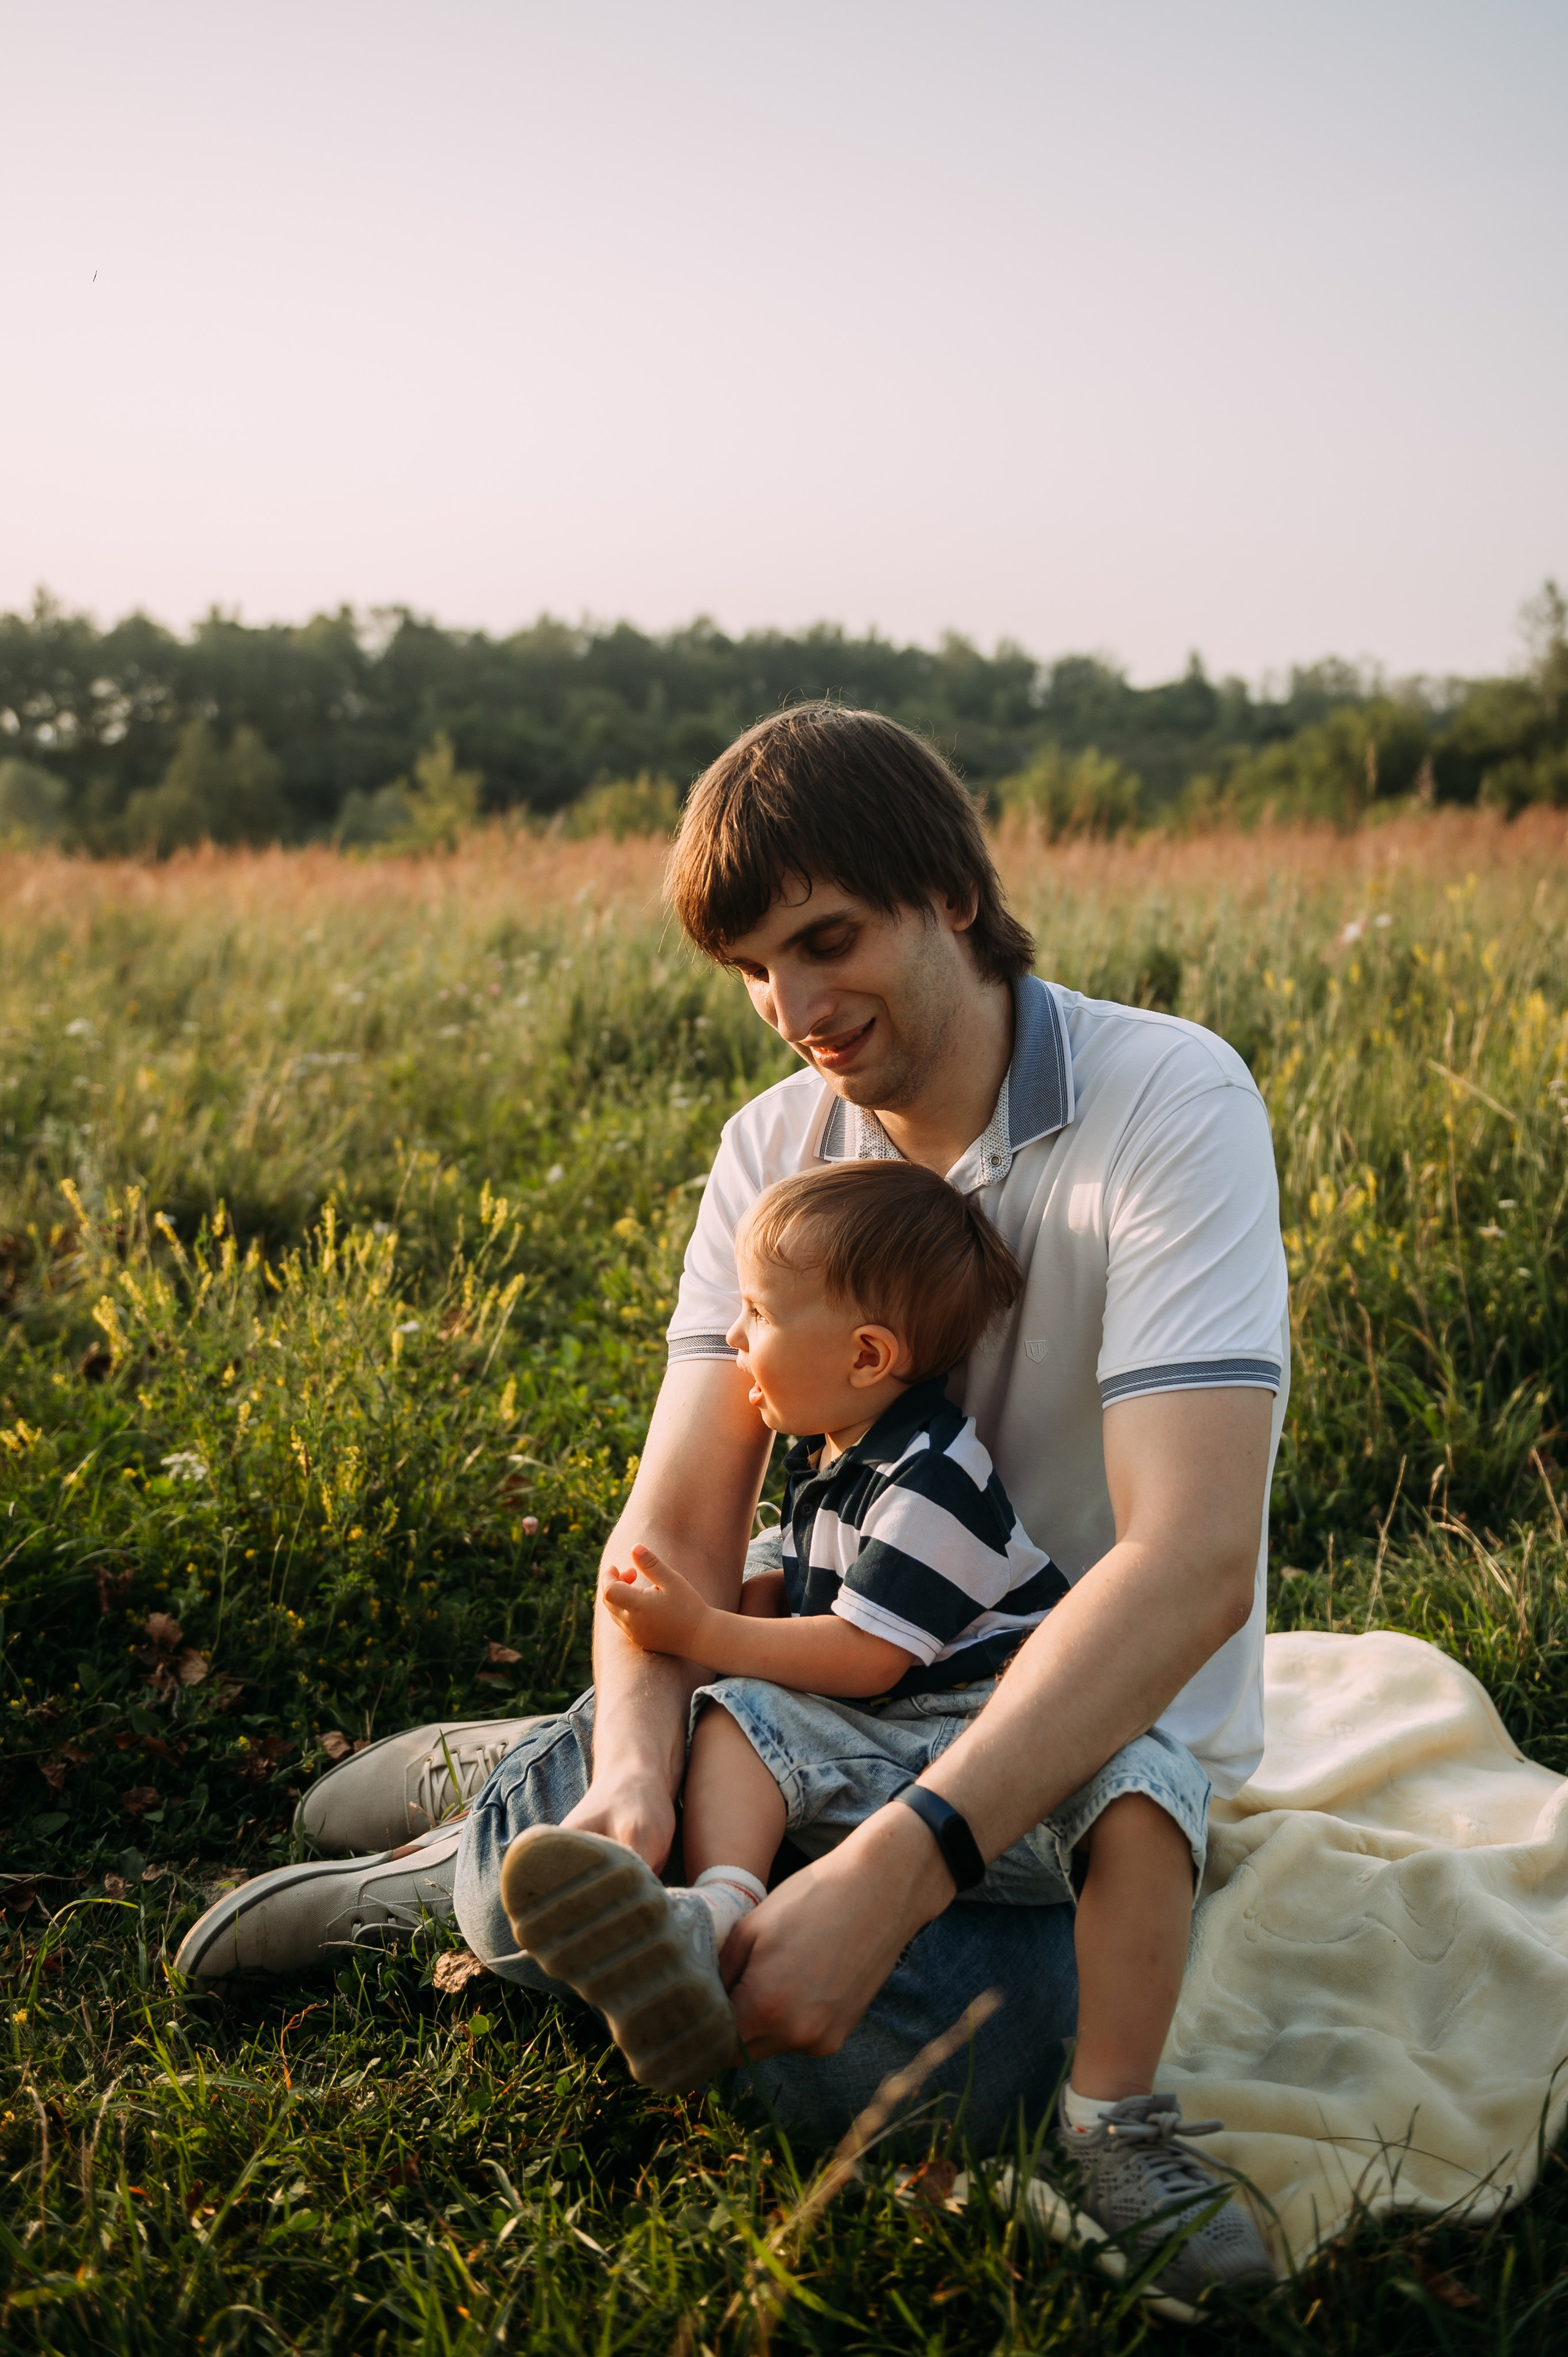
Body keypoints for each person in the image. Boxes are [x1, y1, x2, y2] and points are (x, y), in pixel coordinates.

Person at [175, 705, 1286, 2295]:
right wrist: (634, 1792)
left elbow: (1189, 1559)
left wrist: (901, 1863)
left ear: (951, 894)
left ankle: (497, 1843)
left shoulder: (1166, 1102)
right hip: (816, 1704)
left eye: (826, 942)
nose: (795, 1011)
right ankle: (531, 1834)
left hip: (1062, 1753)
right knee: (677, 1845)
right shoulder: (773, 1147)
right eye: (754, 970)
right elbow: (679, 1528)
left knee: (941, 2066)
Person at [501, 1158, 1218, 2145]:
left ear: (867, 1356)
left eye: (757, 1313)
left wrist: (702, 1631)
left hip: (1001, 1742)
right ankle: (715, 1918)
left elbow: (864, 1655)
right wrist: (726, 1615)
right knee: (735, 1717)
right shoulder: (831, 1452)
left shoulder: (935, 1478)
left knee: (1144, 1796)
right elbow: (813, 1596)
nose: (733, 1336)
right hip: (884, 1739)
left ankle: (1116, 2119)